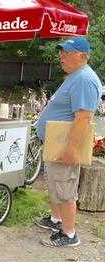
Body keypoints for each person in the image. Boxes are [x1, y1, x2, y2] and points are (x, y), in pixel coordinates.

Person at [35, 37, 102, 247]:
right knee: (57, 185)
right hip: (57, 144)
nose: (61, 56)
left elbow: (83, 117)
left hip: (66, 146)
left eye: (67, 52)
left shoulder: (84, 79)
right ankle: (56, 220)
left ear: (83, 56)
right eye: (61, 52)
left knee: (65, 189)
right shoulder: (75, 76)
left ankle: (69, 234)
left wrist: (72, 149)